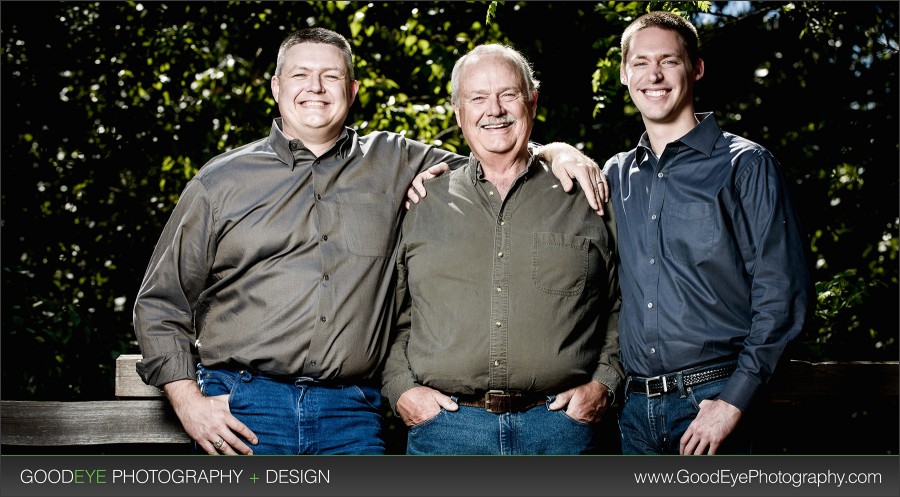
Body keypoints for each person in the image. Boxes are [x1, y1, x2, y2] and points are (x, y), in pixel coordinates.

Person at [132, 27, 606, 455]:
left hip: (350, 416)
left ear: (353, 90)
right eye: (300, 74)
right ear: (277, 87)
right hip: (243, 408)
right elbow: (159, 303)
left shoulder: (395, 160)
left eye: (331, 77)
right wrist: (188, 400)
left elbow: (496, 152)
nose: (315, 88)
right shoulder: (220, 183)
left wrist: (555, 151)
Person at [381, 43, 623, 455]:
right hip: (446, 432)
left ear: (532, 101)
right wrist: (401, 388)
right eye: (477, 98)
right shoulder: (423, 201)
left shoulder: (586, 193)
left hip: (564, 430)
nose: (494, 109)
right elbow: (391, 312)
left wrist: (605, 382)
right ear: (459, 112)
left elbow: (621, 303)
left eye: (508, 94)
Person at [602, 11, 813, 455]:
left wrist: (733, 402)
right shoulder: (615, 174)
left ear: (695, 69)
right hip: (634, 412)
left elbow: (783, 295)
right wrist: (552, 152)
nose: (653, 75)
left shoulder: (745, 165)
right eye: (640, 62)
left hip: (713, 402)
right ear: (624, 74)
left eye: (669, 61)